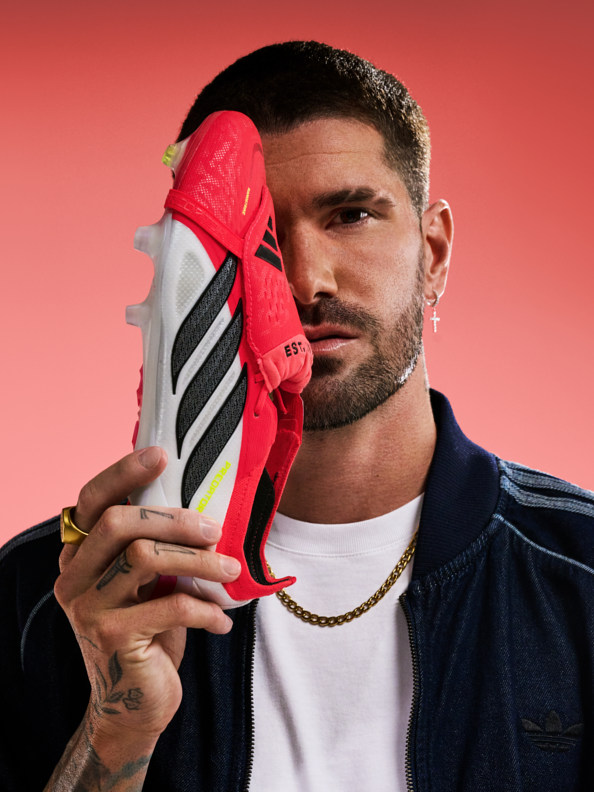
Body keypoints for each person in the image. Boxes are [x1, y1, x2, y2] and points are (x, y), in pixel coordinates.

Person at [1, 40, 592, 792]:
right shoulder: (48, 596)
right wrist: (116, 731)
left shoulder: (581, 577)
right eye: (262, 239)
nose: (308, 280)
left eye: (350, 215)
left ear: (434, 253)